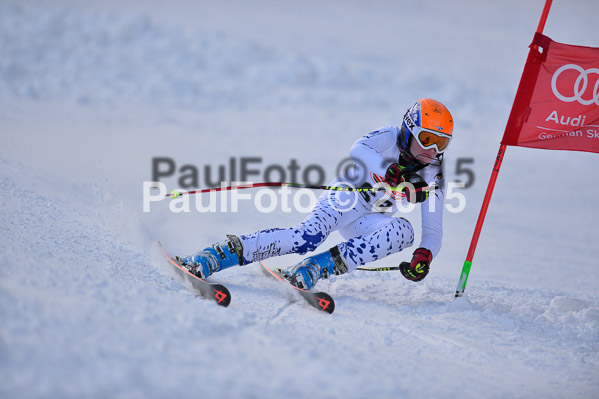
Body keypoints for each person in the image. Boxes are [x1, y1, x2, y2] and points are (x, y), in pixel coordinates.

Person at [179, 98, 453, 290]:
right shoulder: (391, 136)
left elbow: (433, 230)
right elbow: (358, 148)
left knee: (404, 232)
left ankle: (313, 268)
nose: (432, 150)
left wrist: (424, 255)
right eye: (427, 139)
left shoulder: (433, 174)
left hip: (369, 220)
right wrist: (387, 169)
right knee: (307, 237)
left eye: (441, 143)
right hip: (345, 198)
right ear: (410, 130)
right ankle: (214, 255)